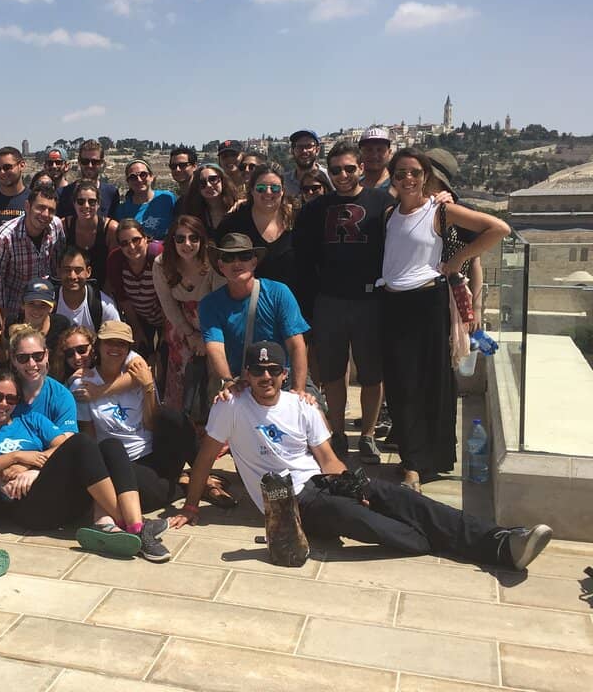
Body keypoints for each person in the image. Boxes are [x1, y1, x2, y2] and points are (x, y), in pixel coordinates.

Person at [171, 341, 554, 574]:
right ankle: (449, 537)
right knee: (385, 528)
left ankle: (501, 542)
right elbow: (205, 457)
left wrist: (354, 486)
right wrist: (191, 506)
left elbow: (326, 459)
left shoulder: (301, 406)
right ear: (247, 374)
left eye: (273, 370)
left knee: (402, 498)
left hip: (322, 485)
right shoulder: (231, 406)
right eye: (257, 370)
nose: (265, 377)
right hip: (288, 502)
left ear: (285, 374)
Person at [0, 368, 170, 589]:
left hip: (48, 493)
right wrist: (14, 457)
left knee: (109, 446)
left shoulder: (30, 420)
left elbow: (63, 443)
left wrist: (34, 467)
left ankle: (131, 524)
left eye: (11, 399)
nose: (3, 404)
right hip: (24, 507)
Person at [381, 147, 509, 491]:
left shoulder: (441, 210)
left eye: (414, 172)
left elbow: (498, 228)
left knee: (428, 384)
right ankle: (415, 458)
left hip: (426, 303)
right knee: (399, 386)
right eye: (400, 173)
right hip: (392, 306)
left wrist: (457, 261)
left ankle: (416, 465)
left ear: (425, 176)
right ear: (392, 179)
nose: (408, 179)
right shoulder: (389, 213)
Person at [293, 141, 395, 461]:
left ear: (361, 168)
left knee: (371, 374)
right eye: (335, 170)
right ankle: (336, 434)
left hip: (371, 301)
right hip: (330, 301)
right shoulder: (314, 210)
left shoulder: (383, 203)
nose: (343, 175)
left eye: (350, 168)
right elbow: (304, 260)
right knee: (334, 374)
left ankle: (366, 435)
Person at [75, 321, 198, 514]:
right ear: (98, 344)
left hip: (151, 451)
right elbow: (88, 433)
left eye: (122, 344)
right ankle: (182, 485)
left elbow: (150, 424)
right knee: (142, 500)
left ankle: (199, 477)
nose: (115, 348)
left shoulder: (137, 371)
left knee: (175, 418)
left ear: (128, 349)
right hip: (120, 460)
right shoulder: (83, 383)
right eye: (110, 342)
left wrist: (148, 386)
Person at [199, 233, 310, 399]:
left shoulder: (279, 293)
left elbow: (296, 345)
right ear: (220, 266)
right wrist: (228, 382)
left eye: (244, 256)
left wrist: (298, 391)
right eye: (229, 258)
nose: (237, 263)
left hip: (282, 378)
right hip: (239, 381)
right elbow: (215, 348)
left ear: (254, 262)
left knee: (316, 414)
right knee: (220, 414)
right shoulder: (209, 304)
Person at [152, 215, 225, 412]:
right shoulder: (162, 264)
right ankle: (182, 430)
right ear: (172, 240)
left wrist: (206, 338)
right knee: (181, 380)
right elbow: (167, 303)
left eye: (194, 238)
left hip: (214, 325)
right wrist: (190, 335)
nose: (187, 244)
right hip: (180, 325)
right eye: (180, 238)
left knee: (214, 380)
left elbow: (221, 303)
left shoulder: (213, 262)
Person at [0, 184, 65, 330]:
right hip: (15, 310)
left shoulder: (56, 226)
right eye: (40, 208)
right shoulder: (5, 237)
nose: (45, 214)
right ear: (27, 206)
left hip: (46, 306)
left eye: (51, 210)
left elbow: (57, 265)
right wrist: (2, 319)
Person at [426, 148, 484, 332]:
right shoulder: (410, 211)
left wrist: (476, 308)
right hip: (422, 298)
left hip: (456, 296)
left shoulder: (461, 212)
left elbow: (475, 261)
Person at [216, 163, 297, 288]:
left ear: (282, 191)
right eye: (261, 188)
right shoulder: (234, 221)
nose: (268, 192)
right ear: (252, 191)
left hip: (292, 301)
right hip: (247, 301)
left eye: (275, 188)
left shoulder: (296, 219)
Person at [106, 219, 165, 362]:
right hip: (140, 316)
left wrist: (166, 334)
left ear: (146, 238)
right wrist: (137, 329)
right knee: (142, 356)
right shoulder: (116, 260)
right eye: (124, 243)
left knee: (165, 357)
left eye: (136, 240)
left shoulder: (157, 256)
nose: (131, 247)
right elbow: (123, 297)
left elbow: (171, 295)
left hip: (168, 315)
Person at [61, 180, 118, 292]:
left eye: (92, 202)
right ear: (74, 203)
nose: (86, 206)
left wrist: (103, 296)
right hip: (71, 288)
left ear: (98, 204)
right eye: (81, 201)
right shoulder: (64, 226)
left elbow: (114, 267)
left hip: (103, 290)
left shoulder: (111, 229)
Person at [54, 247, 120, 332]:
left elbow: (116, 339)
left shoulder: (103, 305)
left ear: (88, 272)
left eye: (78, 270)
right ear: (58, 272)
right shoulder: (49, 302)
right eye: (67, 270)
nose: (73, 276)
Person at [113, 159, 176, 242]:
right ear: (128, 182)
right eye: (133, 177)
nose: (139, 180)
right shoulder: (122, 210)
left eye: (143, 175)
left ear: (151, 177)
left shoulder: (167, 198)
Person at [56, 139, 119, 219]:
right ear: (79, 161)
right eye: (85, 161)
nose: (89, 165)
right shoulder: (62, 194)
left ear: (102, 163)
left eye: (94, 162)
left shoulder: (111, 193)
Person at [180, 163, 241, 242]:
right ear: (197, 187)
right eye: (202, 182)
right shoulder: (192, 213)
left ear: (222, 180)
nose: (208, 185)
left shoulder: (239, 208)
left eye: (213, 179)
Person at [13, 278, 72, 352]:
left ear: (52, 307)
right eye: (31, 303)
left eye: (43, 305)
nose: (37, 309)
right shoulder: (13, 322)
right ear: (22, 304)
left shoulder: (61, 326)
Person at [283, 130, 332, 198]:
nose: (304, 151)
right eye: (300, 146)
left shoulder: (330, 177)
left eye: (309, 146)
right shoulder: (284, 181)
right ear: (292, 151)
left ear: (317, 150)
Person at [359, 127, 394, 193]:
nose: (374, 155)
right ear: (361, 153)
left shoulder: (398, 186)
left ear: (389, 153)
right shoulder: (353, 186)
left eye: (380, 150)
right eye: (369, 150)